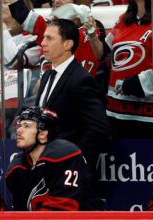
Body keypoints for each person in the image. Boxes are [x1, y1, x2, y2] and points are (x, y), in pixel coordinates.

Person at [85, 0, 153, 138]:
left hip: (148, 114)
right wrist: (92, 35)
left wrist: (134, 84)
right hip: (115, 109)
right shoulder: (123, 20)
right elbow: (103, 53)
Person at [35, 19, 110, 173]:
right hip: (45, 165)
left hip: (68, 171)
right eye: (43, 37)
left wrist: (76, 160)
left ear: (67, 44)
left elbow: (99, 128)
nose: (43, 43)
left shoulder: (81, 79)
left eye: (49, 38)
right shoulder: (47, 75)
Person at [6, 106, 104, 210]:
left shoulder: (64, 155)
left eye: (27, 126)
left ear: (43, 135)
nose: (19, 130)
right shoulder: (16, 168)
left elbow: (62, 210)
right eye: (19, 125)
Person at [8, 0, 102, 76]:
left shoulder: (90, 31)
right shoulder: (48, 26)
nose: (56, 1)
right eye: (54, 0)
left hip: (80, 92)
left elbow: (101, 55)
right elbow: (20, 13)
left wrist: (92, 34)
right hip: (48, 90)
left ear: (77, 2)